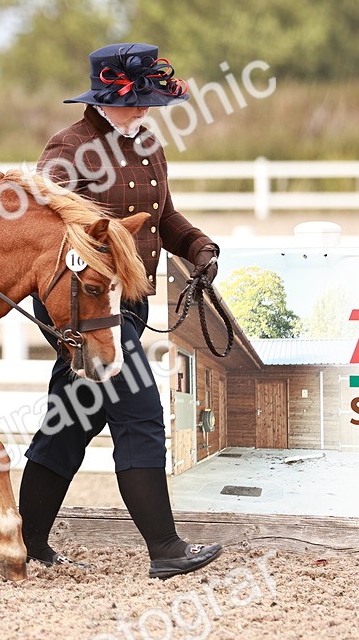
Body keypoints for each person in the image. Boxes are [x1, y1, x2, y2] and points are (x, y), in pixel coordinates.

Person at [19, 42, 223, 579]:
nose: (144, 110)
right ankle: (166, 549)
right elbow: (48, 238)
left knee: (69, 424)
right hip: (81, 310)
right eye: (136, 101)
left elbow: (163, 218)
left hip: (128, 303)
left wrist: (198, 245)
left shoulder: (148, 143)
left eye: (149, 102)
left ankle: (24, 542)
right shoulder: (68, 149)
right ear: (104, 99)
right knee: (140, 415)